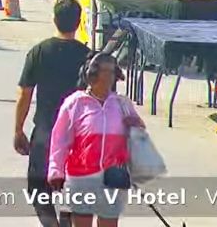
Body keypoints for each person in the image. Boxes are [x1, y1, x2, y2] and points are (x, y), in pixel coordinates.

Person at [14, 0, 92, 227]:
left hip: (46, 131)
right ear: (78, 23)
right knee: (73, 188)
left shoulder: (39, 52)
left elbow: (25, 94)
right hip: (80, 134)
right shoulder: (89, 57)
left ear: (54, 20)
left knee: (39, 190)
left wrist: (18, 130)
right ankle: (66, 223)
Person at [47, 52, 144, 227]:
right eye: (103, 71)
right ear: (90, 74)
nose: (108, 77)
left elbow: (139, 138)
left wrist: (136, 127)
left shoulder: (122, 105)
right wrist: (56, 171)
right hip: (81, 177)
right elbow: (59, 140)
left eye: (111, 72)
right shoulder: (75, 103)